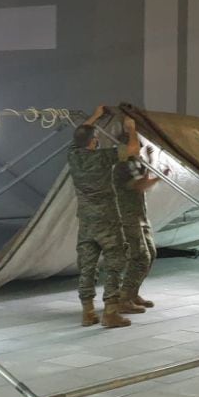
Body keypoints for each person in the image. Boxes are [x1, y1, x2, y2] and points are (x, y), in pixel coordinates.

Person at [67, 105, 139, 328]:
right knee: (115, 263)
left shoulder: (73, 155)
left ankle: (88, 312)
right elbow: (133, 150)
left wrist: (96, 116)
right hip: (107, 221)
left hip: (86, 222)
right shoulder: (103, 158)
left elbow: (82, 133)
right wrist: (131, 128)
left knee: (87, 267)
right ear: (94, 141)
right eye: (95, 138)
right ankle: (110, 312)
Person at [116, 145, 166, 309]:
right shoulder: (122, 167)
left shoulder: (135, 162)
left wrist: (150, 160)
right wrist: (159, 176)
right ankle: (124, 298)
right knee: (140, 257)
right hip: (129, 218)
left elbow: (143, 177)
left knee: (150, 253)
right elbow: (139, 185)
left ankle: (132, 294)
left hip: (140, 217)